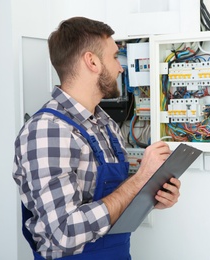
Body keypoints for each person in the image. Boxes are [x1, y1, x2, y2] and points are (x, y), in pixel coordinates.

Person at [12, 16, 181, 260]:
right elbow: (64, 232)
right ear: (91, 61)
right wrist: (141, 178)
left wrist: (151, 195)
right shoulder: (48, 131)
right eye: (114, 57)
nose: (120, 67)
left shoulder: (105, 124)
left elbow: (112, 200)